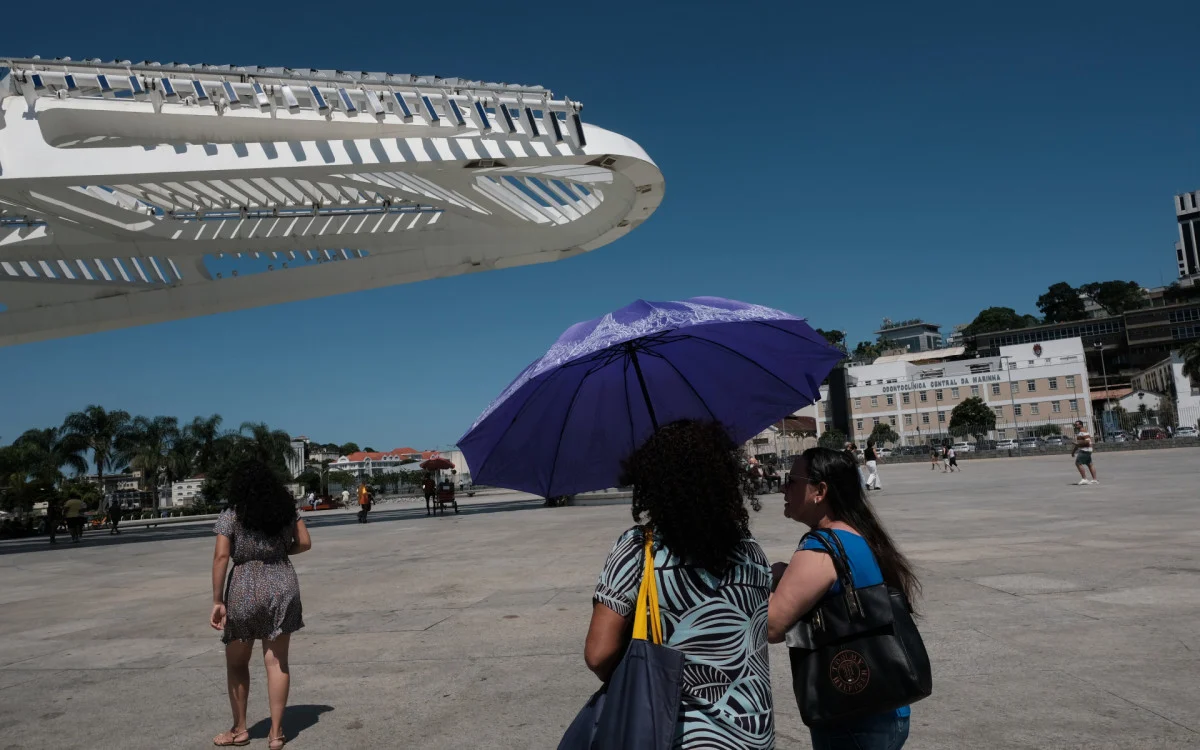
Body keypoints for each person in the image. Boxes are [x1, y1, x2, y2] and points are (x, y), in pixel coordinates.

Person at [584, 420, 774, 748]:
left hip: (680, 737)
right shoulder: (749, 550)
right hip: (753, 734)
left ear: (652, 481)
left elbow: (598, 654)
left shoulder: (639, 549)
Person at [767, 447, 920, 750]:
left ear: (819, 491)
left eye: (792, 480)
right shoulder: (854, 533)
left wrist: (769, 584)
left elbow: (772, 626)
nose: (783, 488)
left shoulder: (821, 547)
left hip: (853, 717)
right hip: (883, 706)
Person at [210, 459, 311, 749]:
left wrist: (217, 600)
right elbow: (304, 542)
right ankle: (276, 734)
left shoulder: (232, 513)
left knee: (238, 661)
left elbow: (220, 557)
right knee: (277, 661)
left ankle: (240, 730)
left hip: (244, 585)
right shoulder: (287, 509)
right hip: (282, 581)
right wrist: (279, 551)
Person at [1072, 420, 1098, 485]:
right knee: (1089, 464)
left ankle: (1084, 479)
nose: (1075, 426)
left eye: (1077, 424)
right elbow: (1078, 445)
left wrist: (1077, 443)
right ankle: (1094, 480)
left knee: (1078, 463)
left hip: (1085, 450)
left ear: (1081, 425)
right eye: (1075, 425)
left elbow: (1087, 441)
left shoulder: (1083, 432)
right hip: (1087, 450)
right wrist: (1073, 452)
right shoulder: (1080, 433)